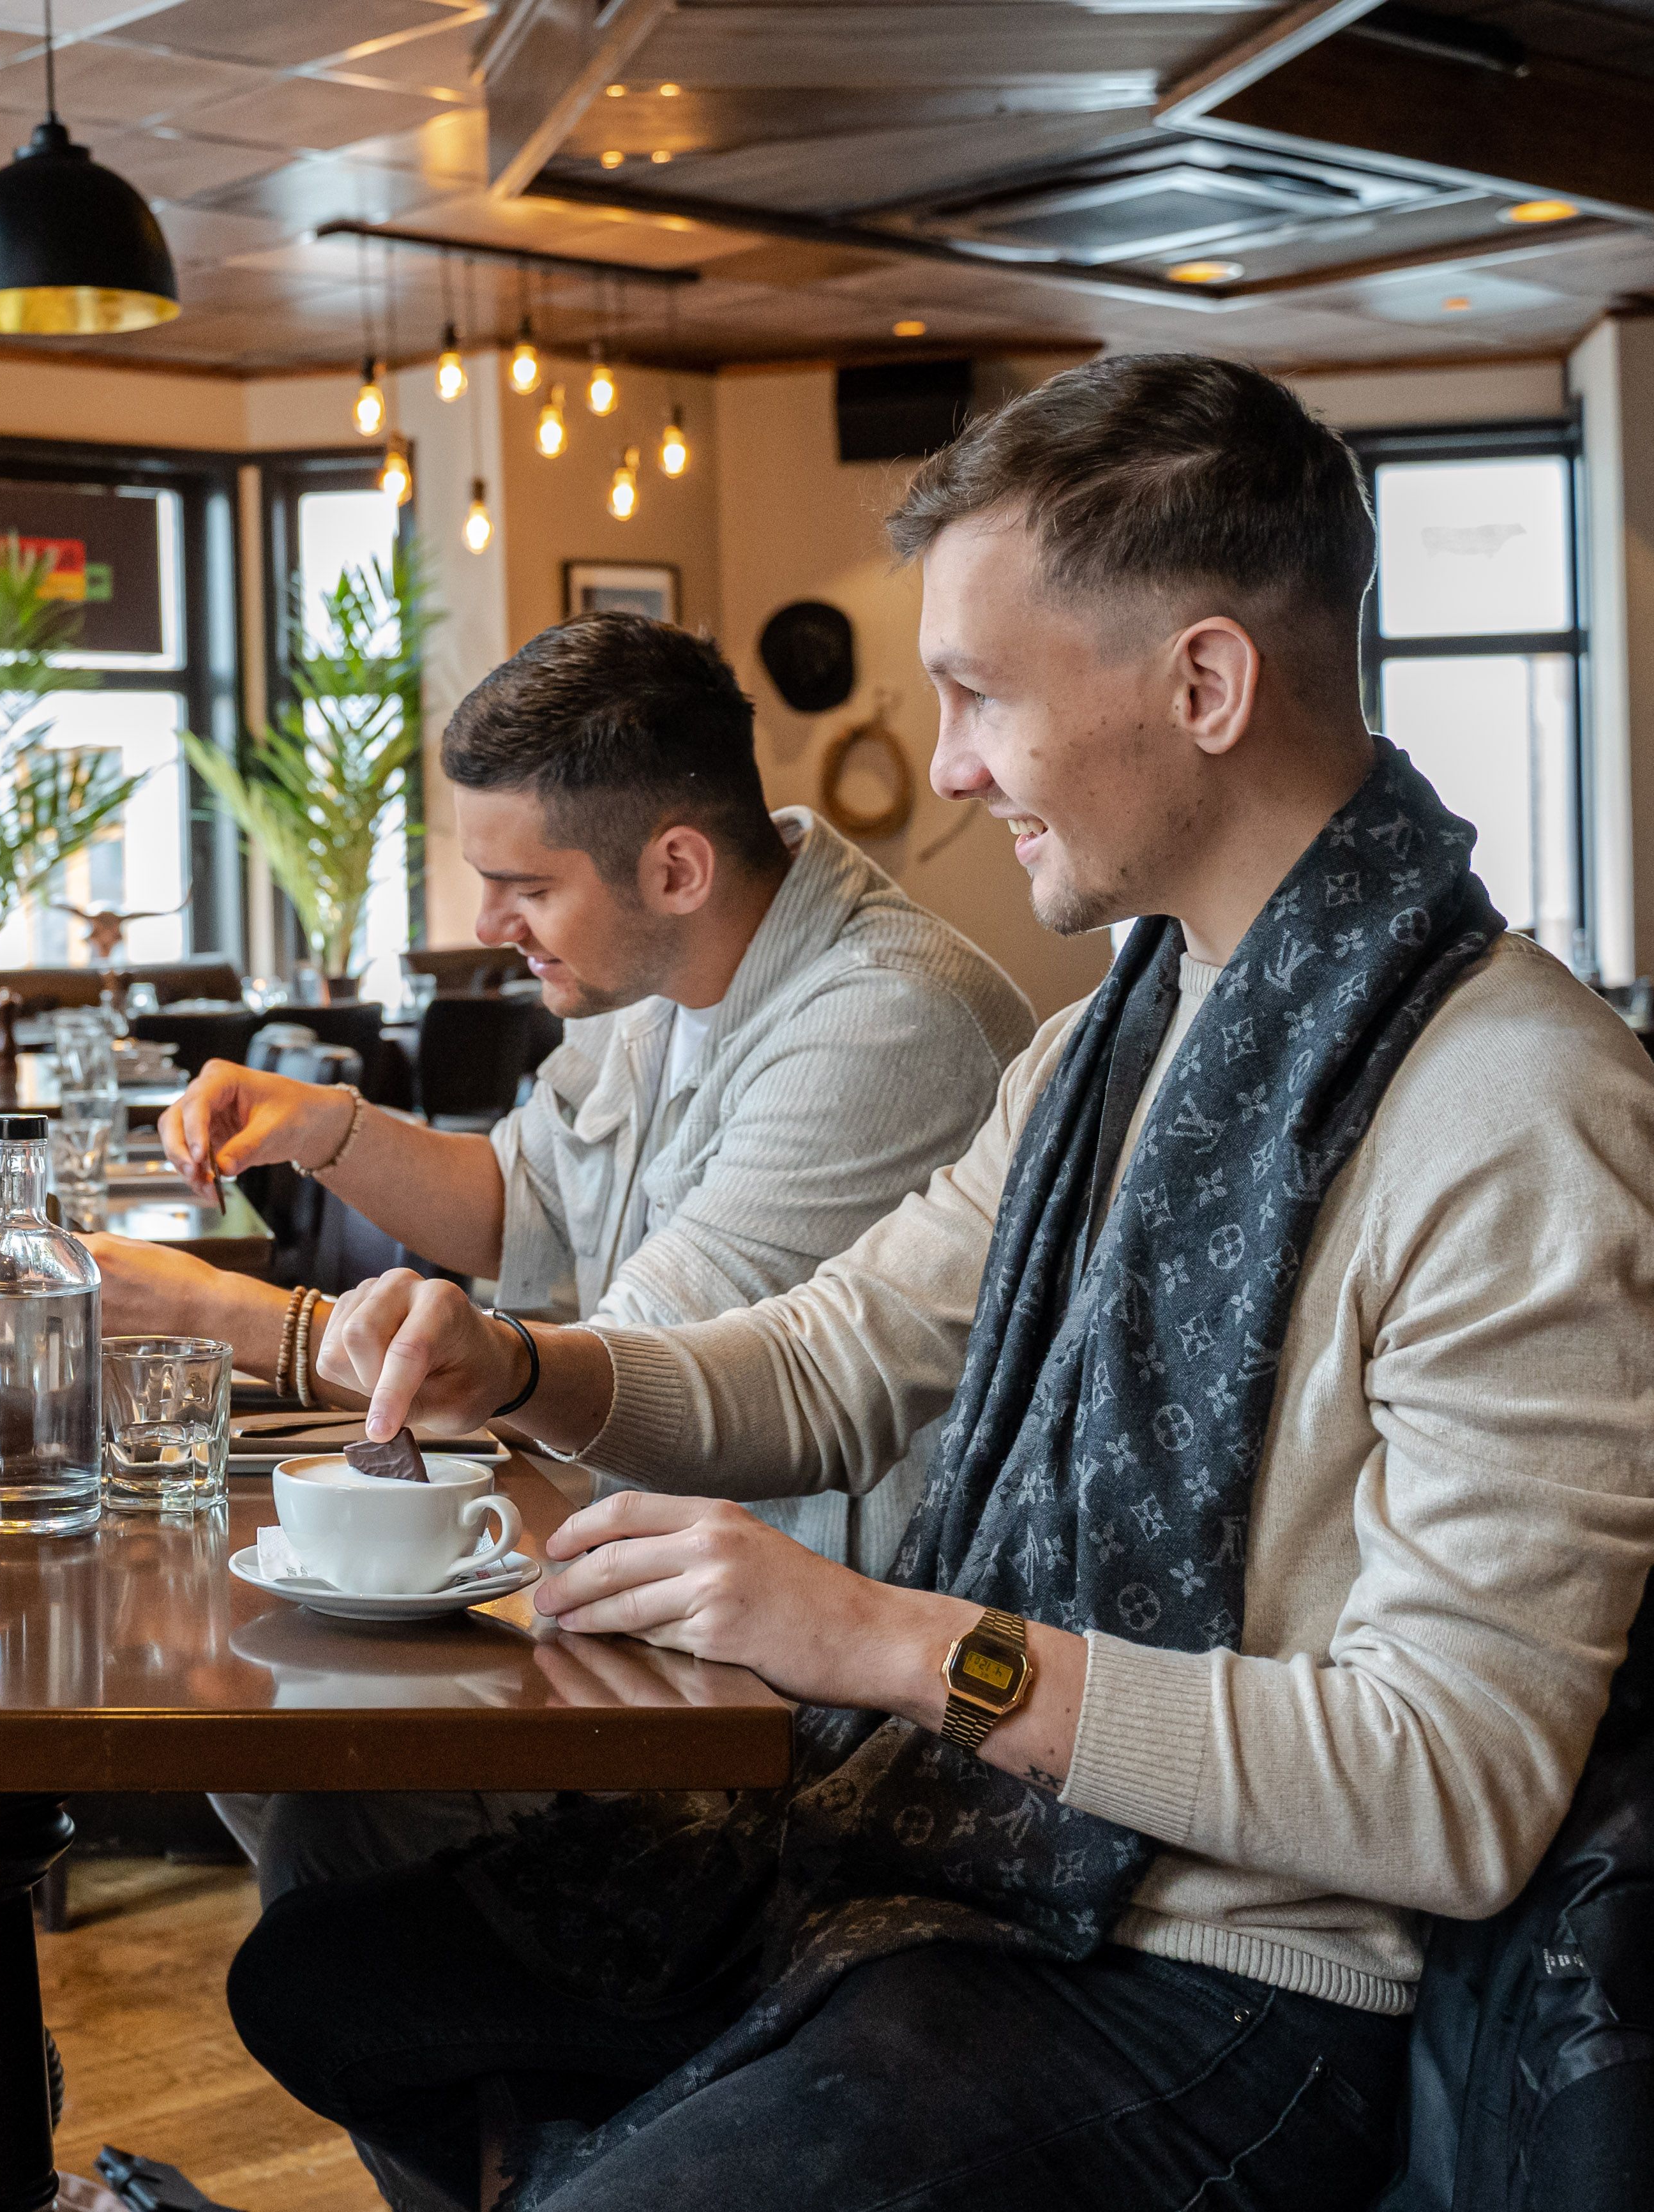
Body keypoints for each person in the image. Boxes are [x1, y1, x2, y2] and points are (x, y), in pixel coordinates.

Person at [237, 354, 1654, 2212]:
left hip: (1239, 1987)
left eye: (980, 695)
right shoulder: (1103, 1048)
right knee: (324, 1980)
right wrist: (515, 1362)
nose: (955, 763)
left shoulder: (1521, 1105)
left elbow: (1446, 1789)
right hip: (974, 1865)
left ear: (1202, 685)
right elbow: (830, 1362)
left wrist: (894, 1644)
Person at [94, 613, 1031, 1896]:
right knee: (262, 1705)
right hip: (648, 1581)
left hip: (815, 1684)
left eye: (528, 888)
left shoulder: (882, 1024)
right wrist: (331, 1132)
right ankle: (491, 2086)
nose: (492, 922)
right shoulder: (663, 973)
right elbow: (522, 1202)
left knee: (309, 1758)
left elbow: (620, 1386)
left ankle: (545, 2075)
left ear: (676, 866)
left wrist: (238, 1321)